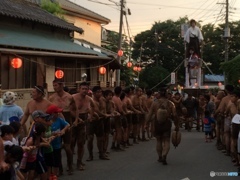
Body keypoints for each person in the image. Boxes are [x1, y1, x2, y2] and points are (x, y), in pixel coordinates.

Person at [48, 79, 77, 175]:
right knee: (57, 147)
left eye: (56, 85)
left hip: (67, 120)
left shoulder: (69, 97)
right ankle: (59, 168)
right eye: (53, 85)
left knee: (68, 147)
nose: (54, 87)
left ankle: (70, 165)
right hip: (56, 120)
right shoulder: (51, 97)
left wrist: (76, 120)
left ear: (61, 85)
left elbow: (75, 109)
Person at [146, 88, 179, 165]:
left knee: (159, 140)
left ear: (159, 94)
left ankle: (160, 157)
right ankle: (164, 155)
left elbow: (150, 114)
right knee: (166, 140)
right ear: (167, 95)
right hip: (167, 123)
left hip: (157, 123)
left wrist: (146, 123)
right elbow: (174, 115)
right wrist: (177, 125)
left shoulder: (155, 103)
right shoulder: (171, 104)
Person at [72, 82, 95, 170]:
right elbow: (69, 109)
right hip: (74, 120)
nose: (84, 91)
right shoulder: (73, 97)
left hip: (83, 119)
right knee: (71, 143)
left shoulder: (89, 99)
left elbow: (93, 106)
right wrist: (76, 118)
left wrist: (91, 116)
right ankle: (70, 163)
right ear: (79, 89)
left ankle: (79, 161)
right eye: (83, 89)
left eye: (86, 89)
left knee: (81, 143)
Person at [46, 105, 70, 177]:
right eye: (57, 112)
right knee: (49, 162)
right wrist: (53, 134)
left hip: (57, 145)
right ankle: (50, 175)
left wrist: (63, 130)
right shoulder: (47, 121)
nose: (58, 113)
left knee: (57, 161)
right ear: (53, 113)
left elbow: (67, 125)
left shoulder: (59, 120)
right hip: (48, 145)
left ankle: (55, 175)